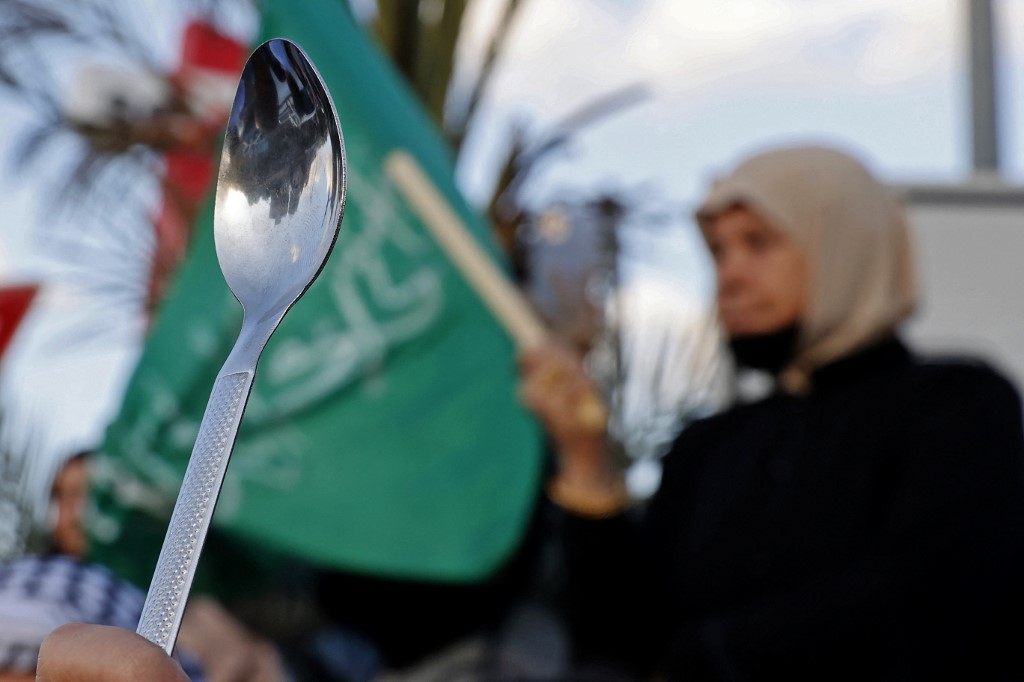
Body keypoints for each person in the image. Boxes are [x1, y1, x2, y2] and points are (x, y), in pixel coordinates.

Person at [520, 144, 1024, 680]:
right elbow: (622, 645)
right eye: (718, 252)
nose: (730, 277)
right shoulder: (710, 449)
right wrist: (584, 456)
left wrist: (707, 655)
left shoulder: (956, 408)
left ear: (845, 247)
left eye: (758, 244)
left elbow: (931, 600)